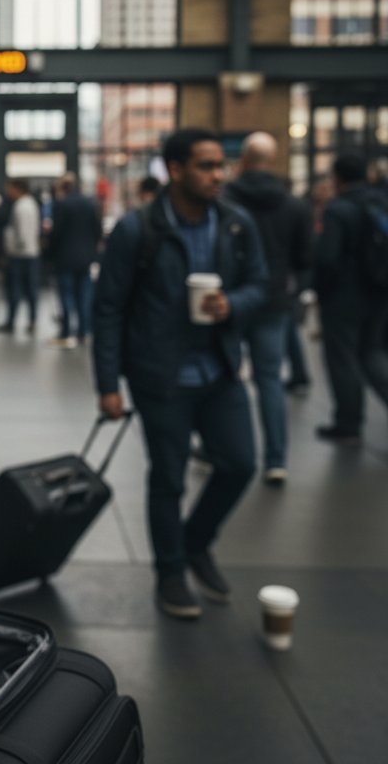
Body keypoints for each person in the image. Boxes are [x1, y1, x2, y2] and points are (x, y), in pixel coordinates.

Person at [93, 128, 267, 620]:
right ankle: (171, 570)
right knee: (168, 478)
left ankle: (195, 541)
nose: (219, 175)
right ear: (174, 170)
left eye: (221, 165)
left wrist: (232, 303)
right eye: (206, 166)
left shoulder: (234, 224)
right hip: (160, 376)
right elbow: (108, 309)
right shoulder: (137, 230)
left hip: (220, 368)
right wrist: (108, 384)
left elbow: (262, 284)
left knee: (239, 464)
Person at [224, 132, 312, 485]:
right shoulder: (294, 205)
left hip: (231, 302)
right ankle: (275, 459)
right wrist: (293, 294)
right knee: (270, 380)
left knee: (225, 377)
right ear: (272, 161)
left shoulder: (225, 201)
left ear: (244, 160)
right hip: (274, 301)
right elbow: (306, 259)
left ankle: (225, 449)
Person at [312, 151, 388, 444]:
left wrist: (322, 291)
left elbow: (327, 258)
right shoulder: (379, 201)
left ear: (337, 178)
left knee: (343, 358)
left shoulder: (339, 209)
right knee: (372, 354)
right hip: (380, 291)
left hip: (345, 297)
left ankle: (349, 423)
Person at [49, 172, 101, 347]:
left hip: (65, 258)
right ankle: (84, 332)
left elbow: (56, 233)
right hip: (86, 258)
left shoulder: (62, 204)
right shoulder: (90, 203)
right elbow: (97, 229)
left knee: (66, 296)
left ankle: (67, 332)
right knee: (85, 296)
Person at [0, 178, 41, 334]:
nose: (8, 192)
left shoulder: (20, 206)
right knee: (31, 289)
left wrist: (11, 248)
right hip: (32, 253)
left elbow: (22, 234)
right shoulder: (32, 204)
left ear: (17, 188)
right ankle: (32, 320)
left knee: (14, 289)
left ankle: (11, 321)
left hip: (19, 255)